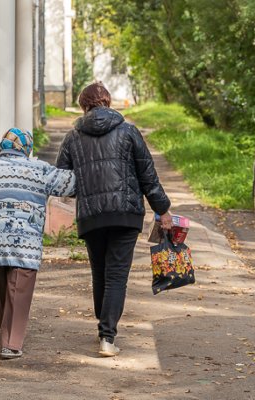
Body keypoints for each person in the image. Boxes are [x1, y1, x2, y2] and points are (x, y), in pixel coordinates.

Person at [56, 83, 172, 357]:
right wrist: (163, 209)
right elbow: (148, 175)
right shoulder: (129, 131)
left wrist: (84, 185)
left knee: (100, 273)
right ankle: (107, 336)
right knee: (117, 275)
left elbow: (62, 181)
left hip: (91, 216)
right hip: (126, 214)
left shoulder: (73, 137)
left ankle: (104, 330)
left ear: (84, 106)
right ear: (107, 102)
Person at [0, 128, 76, 359]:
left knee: (1, 290)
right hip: (24, 241)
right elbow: (71, 185)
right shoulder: (39, 169)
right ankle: (11, 344)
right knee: (20, 289)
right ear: (27, 148)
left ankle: (7, 337)